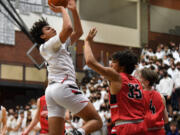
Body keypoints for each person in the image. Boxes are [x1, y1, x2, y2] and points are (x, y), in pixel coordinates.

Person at [29, 1, 102, 135]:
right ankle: (75, 133)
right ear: (42, 36)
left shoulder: (58, 44)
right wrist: (63, 9)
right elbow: (68, 28)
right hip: (64, 86)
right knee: (96, 121)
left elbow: (78, 32)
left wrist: (74, 11)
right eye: (47, 29)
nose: (52, 29)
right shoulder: (47, 45)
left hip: (52, 91)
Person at [84, 28, 146, 135]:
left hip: (126, 126)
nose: (110, 64)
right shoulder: (137, 81)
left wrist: (87, 42)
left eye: (114, 62)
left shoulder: (117, 76)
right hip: (141, 125)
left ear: (122, 66)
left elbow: (89, 62)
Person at [139, 68, 168, 135]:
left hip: (145, 131)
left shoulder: (139, 96)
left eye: (141, 78)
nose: (139, 80)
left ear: (146, 82)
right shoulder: (161, 96)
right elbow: (166, 119)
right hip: (159, 131)